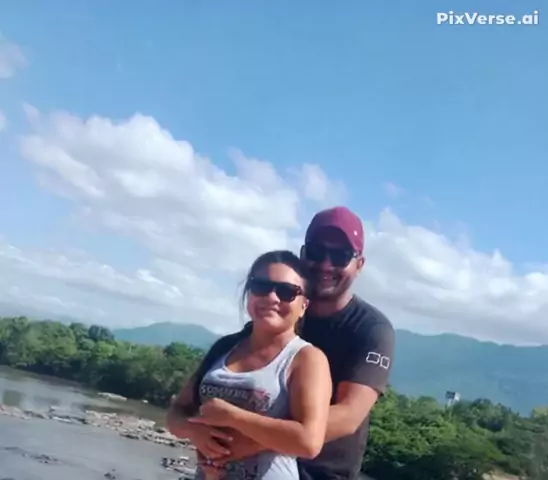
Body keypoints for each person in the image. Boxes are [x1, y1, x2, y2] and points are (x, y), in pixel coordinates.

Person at [194, 206, 395, 480]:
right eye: (317, 252)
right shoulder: (280, 312)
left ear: (359, 265)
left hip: (320, 473)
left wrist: (246, 441)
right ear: (303, 254)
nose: (326, 265)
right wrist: (197, 430)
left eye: (340, 256)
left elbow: (348, 415)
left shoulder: (370, 329)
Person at [166, 250, 332, 479]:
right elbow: (176, 413)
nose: (271, 297)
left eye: (286, 291)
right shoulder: (224, 347)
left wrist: (233, 417)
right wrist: (194, 431)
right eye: (261, 286)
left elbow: (308, 442)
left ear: (304, 305)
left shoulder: (306, 359)